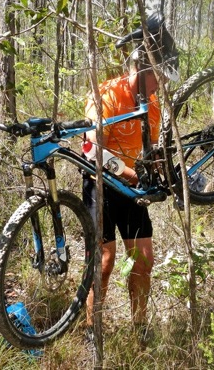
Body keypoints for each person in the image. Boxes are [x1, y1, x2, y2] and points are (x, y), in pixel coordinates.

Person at [82, 20, 179, 343]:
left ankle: (140, 329)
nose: (161, 84)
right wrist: (126, 172)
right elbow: (90, 148)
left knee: (143, 259)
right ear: (144, 68)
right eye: (159, 76)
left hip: (131, 185)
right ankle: (91, 330)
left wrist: (164, 173)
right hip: (100, 182)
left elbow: (151, 151)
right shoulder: (109, 94)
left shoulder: (151, 104)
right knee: (105, 262)